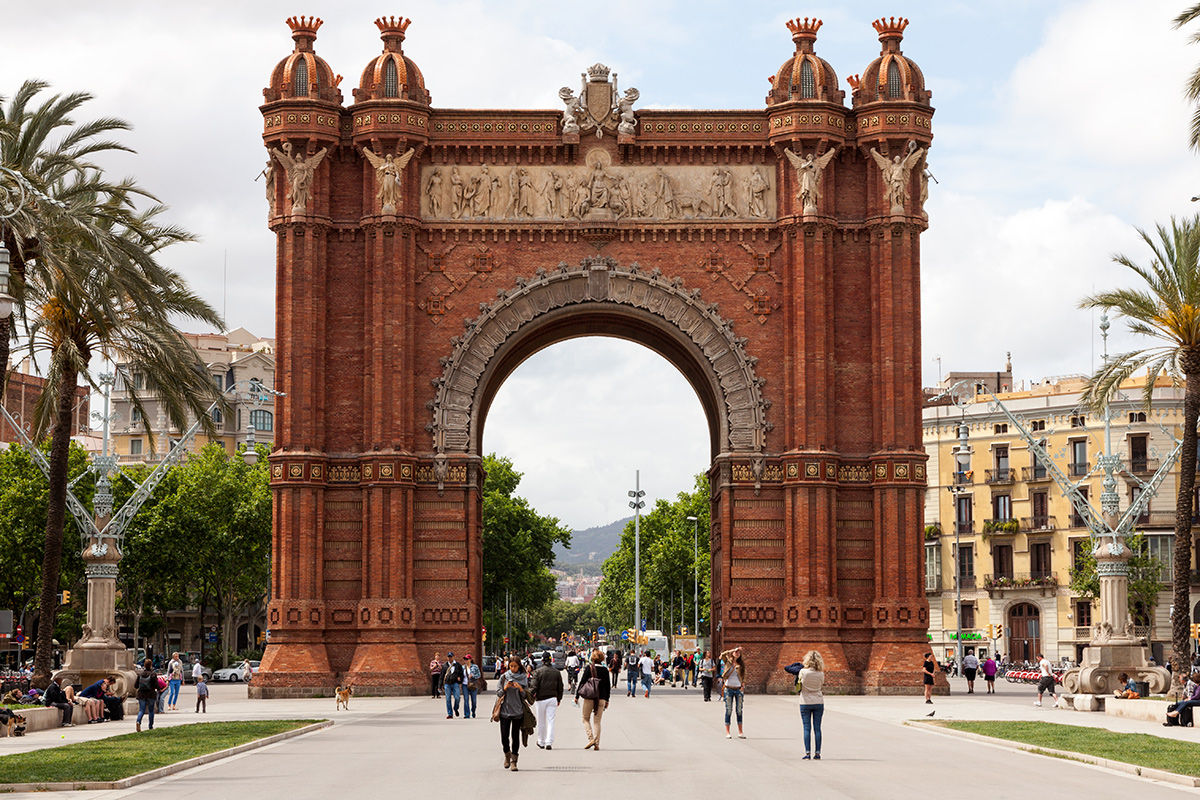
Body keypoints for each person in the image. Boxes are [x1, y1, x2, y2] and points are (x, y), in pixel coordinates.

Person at [496, 657, 530, 771]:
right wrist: (505, 688)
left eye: (515, 666)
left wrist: (520, 689)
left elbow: (526, 696)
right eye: (511, 666)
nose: (513, 668)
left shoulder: (523, 678)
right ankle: (507, 754)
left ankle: (514, 761)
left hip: (517, 711)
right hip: (505, 711)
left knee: (515, 737)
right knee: (504, 736)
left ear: (519, 666)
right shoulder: (504, 677)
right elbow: (499, 693)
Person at [574, 649, 611, 750]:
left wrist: (577, 696)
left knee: (585, 718)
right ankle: (597, 743)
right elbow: (608, 687)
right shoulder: (605, 670)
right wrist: (607, 700)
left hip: (589, 697)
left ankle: (591, 739)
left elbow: (582, 682)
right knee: (597, 721)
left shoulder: (588, 668)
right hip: (602, 698)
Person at [531, 652, 563, 749]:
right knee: (551, 721)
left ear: (542, 660)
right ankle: (549, 742)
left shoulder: (538, 672)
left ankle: (541, 741)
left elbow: (534, 686)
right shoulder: (556, 672)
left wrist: (529, 697)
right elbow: (560, 687)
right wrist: (559, 698)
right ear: (551, 660)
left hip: (540, 699)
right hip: (552, 698)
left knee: (541, 721)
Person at [797, 650, 825, 760]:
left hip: (805, 702)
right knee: (817, 728)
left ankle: (807, 753)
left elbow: (800, 683)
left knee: (806, 728)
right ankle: (817, 753)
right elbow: (821, 684)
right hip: (818, 701)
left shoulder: (803, 672)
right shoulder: (821, 673)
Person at [718, 647, 746, 739]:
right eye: (736, 652)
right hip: (728, 688)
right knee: (729, 710)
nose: (737, 653)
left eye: (739, 652)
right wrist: (733, 649)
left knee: (739, 710)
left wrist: (742, 685)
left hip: (738, 689)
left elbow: (744, 676)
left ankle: (740, 732)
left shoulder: (741, 665)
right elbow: (722, 655)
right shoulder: (728, 661)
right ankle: (727, 732)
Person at [135, 657, 157, 732]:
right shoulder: (153, 674)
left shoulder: (140, 674)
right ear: (151, 665)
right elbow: (156, 685)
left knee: (141, 710)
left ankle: (138, 721)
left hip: (141, 694)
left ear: (144, 665)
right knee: (151, 710)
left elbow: (136, 685)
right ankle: (150, 726)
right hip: (151, 693)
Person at [442, 652, 465, 718]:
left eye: (451, 657)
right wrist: (439, 686)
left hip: (455, 683)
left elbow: (461, 674)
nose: (450, 658)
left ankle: (455, 708)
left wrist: (460, 679)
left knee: (457, 698)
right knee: (448, 699)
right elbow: (442, 675)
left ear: (453, 657)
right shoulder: (445, 665)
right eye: (448, 657)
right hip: (447, 684)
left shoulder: (458, 665)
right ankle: (450, 714)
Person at [463, 654, 481, 719]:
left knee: (474, 701)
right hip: (465, 685)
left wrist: (473, 676)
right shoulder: (463, 667)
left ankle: (473, 711)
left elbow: (479, 675)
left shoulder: (475, 667)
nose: (466, 660)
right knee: (466, 700)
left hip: (473, 685)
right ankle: (466, 714)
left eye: (467, 659)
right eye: (465, 659)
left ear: (470, 659)